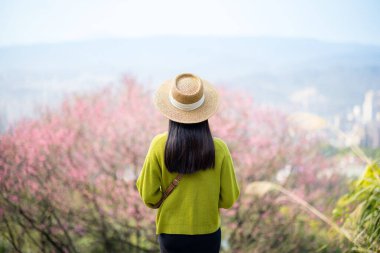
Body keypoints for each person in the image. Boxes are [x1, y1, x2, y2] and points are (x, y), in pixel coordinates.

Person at [136, 73, 240, 253]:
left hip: (171, 234)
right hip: (208, 233)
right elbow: (229, 198)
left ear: (171, 110)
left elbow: (148, 195)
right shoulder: (219, 148)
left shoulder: (159, 145)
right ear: (204, 110)